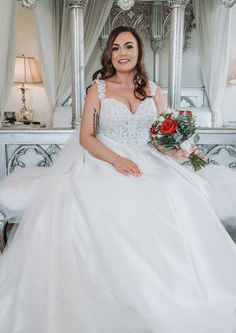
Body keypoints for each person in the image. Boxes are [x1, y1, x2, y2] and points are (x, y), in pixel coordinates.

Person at [0, 26, 236, 333]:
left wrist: (181, 153)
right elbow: (86, 138)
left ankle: (172, 289)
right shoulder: (97, 88)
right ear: (109, 54)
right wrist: (117, 160)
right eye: (116, 48)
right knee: (111, 201)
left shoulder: (153, 89)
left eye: (128, 47)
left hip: (149, 159)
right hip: (106, 158)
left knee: (176, 191)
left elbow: (160, 137)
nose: (122, 53)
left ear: (139, 52)